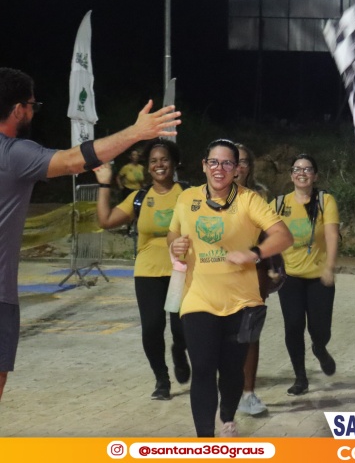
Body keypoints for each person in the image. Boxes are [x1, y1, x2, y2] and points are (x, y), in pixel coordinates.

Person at [0, 67, 181, 402]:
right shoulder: (13, 153)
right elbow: (73, 161)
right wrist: (135, 132)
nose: (33, 113)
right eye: (32, 106)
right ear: (18, 110)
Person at [168, 139, 292, 437]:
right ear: (204, 166)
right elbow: (172, 232)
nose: (219, 168)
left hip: (242, 302)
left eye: (227, 163)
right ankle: (205, 440)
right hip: (198, 298)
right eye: (213, 162)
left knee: (232, 371)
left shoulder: (250, 200)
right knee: (203, 368)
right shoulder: (187, 198)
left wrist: (254, 253)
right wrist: (175, 245)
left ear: (236, 169)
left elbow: (284, 236)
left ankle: (227, 414)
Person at [94, 139, 190, 400]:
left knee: (182, 328)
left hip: (181, 271)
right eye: (154, 161)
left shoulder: (188, 194)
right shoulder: (139, 198)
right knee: (152, 328)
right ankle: (162, 380)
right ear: (148, 167)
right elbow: (105, 220)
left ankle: (179, 351)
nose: (159, 165)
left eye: (164, 159)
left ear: (175, 163)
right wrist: (104, 184)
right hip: (147, 273)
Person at [272, 153, 340, 397]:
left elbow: (332, 235)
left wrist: (329, 267)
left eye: (307, 169)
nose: (302, 173)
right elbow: (265, 236)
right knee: (293, 326)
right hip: (289, 278)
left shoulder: (325, 201)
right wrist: (270, 267)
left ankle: (320, 349)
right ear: (291, 175)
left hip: (319, 277)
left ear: (315, 176)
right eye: (297, 169)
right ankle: (300, 377)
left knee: (320, 330)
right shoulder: (278, 204)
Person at [234, 142, 270, 416]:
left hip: (251, 275)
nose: (237, 167)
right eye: (232, 161)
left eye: (243, 161)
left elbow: (270, 237)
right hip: (215, 276)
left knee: (249, 335)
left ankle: (248, 394)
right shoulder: (205, 197)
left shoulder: (259, 197)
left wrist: (268, 268)